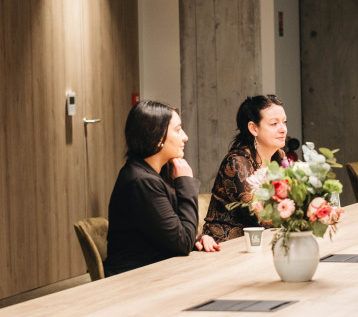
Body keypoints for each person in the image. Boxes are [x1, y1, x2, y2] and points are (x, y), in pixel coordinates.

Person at [103, 101, 219, 277]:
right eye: (178, 129)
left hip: (156, 273)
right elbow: (182, 243)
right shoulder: (141, 181)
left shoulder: (147, 175)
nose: (185, 136)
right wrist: (185, 182)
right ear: (156, 138)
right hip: (135, 281)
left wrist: (197, 240)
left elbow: (167, 234)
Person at [203, 95, 287, 243]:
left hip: (261, 242)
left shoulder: (278, 156)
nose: (283, 129)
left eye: (284, 122)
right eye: (274, 123)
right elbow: (261, 217)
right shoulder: (237, 162)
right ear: (253, 128)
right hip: (224, 246)